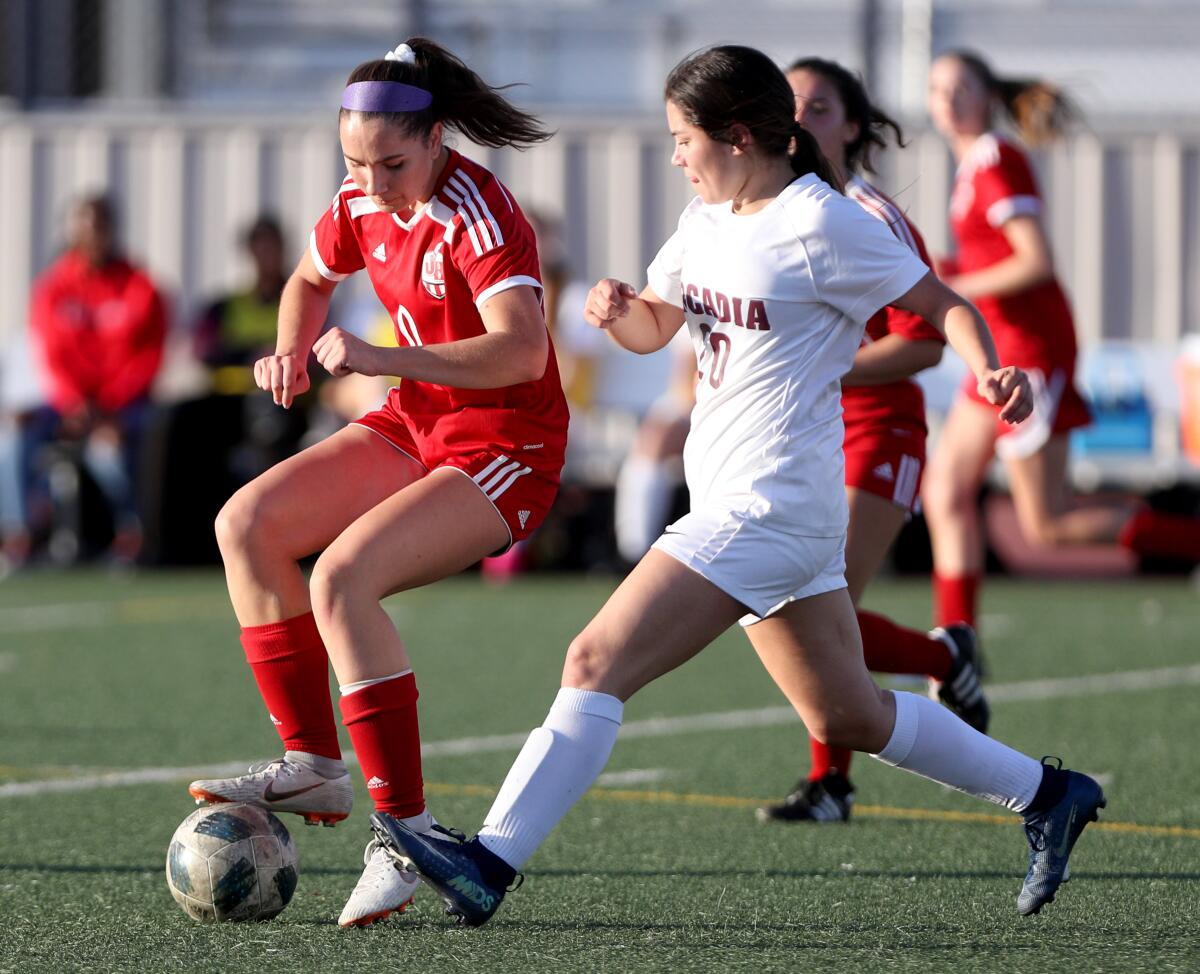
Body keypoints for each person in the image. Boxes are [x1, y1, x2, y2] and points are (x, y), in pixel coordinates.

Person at [375, 44, 1103, 925]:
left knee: (594, 660)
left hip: (769, 509)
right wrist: (620, 312)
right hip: (753, 512)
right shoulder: (704, 217)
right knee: (850, 715)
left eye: (684, 138)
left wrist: (991, 374)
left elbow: (945, 307)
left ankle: (489, 860)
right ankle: (1048, 794)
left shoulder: (821, 223)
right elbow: (656, 328)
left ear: (740, 135)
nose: (675, 154)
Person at [184, 38, 568, 928]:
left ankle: (406, 832)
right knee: (247, 525)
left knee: (343, 580)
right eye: (354, 161)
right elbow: (310, 278)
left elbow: (522, 350)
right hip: (420, 420)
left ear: (437, 140)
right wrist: (289, 347)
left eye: (392, 163)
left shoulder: (479, 211)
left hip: (508, 442)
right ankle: (314, 761)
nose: (371, 181)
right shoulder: (361, 194)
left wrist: (376, 354)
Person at [756, 57, 989, 825]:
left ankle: (832, 784)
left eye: (818, 107)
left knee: (832, 612)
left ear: (852, 126)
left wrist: (828, 367)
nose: (800, 120)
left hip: (879, 430)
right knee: (800, 611)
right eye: (787, 107)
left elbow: (924, 343)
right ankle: (943, 655)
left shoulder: (867, 213)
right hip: (808, 436)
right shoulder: (769, 210)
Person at [922, 50, 1200, 630]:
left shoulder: (996, 159)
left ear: (989, 97)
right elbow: (986, 259)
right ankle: (956, 648)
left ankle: (1188, 538)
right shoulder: (970, 168)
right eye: (936, 88)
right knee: (945, 489)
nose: (947, 99)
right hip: (999, 355)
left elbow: (1035, 261)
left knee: (1045, 524)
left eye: (961, 87)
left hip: (1027, 356)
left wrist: (950, 284)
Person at [23, 195, 167, 564]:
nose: (92, 233)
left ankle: (131, 534)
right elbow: (50, 354)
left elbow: (147, 357)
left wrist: (109, 408)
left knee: (109, 453)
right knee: (13, 443)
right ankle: (21, 535)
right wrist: (75, 403)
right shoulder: (53, 287)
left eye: (99, 225)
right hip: (68, 405)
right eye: (84, 224)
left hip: (124, 406)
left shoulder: (140, 285)